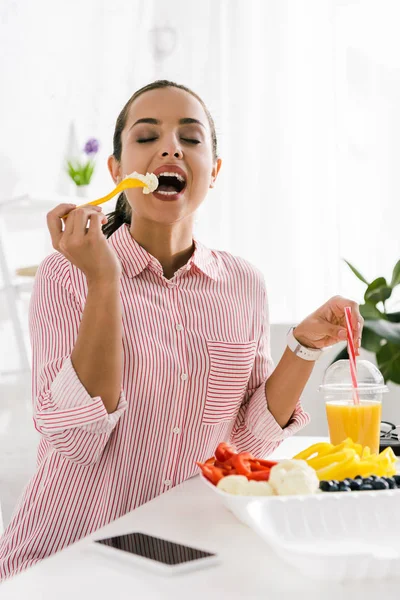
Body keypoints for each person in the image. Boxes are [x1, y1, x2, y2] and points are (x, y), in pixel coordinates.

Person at [0, 80, 363, 580]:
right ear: (117, 171)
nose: (170, 146)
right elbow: (76, 438)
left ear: (213, 172)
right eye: (147, 137)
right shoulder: (68, 272)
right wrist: (104, 280)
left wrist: (302, 347)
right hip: (63, 556)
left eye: (190, 138)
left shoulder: (243, 284)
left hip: (179, 555)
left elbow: (245, 444)